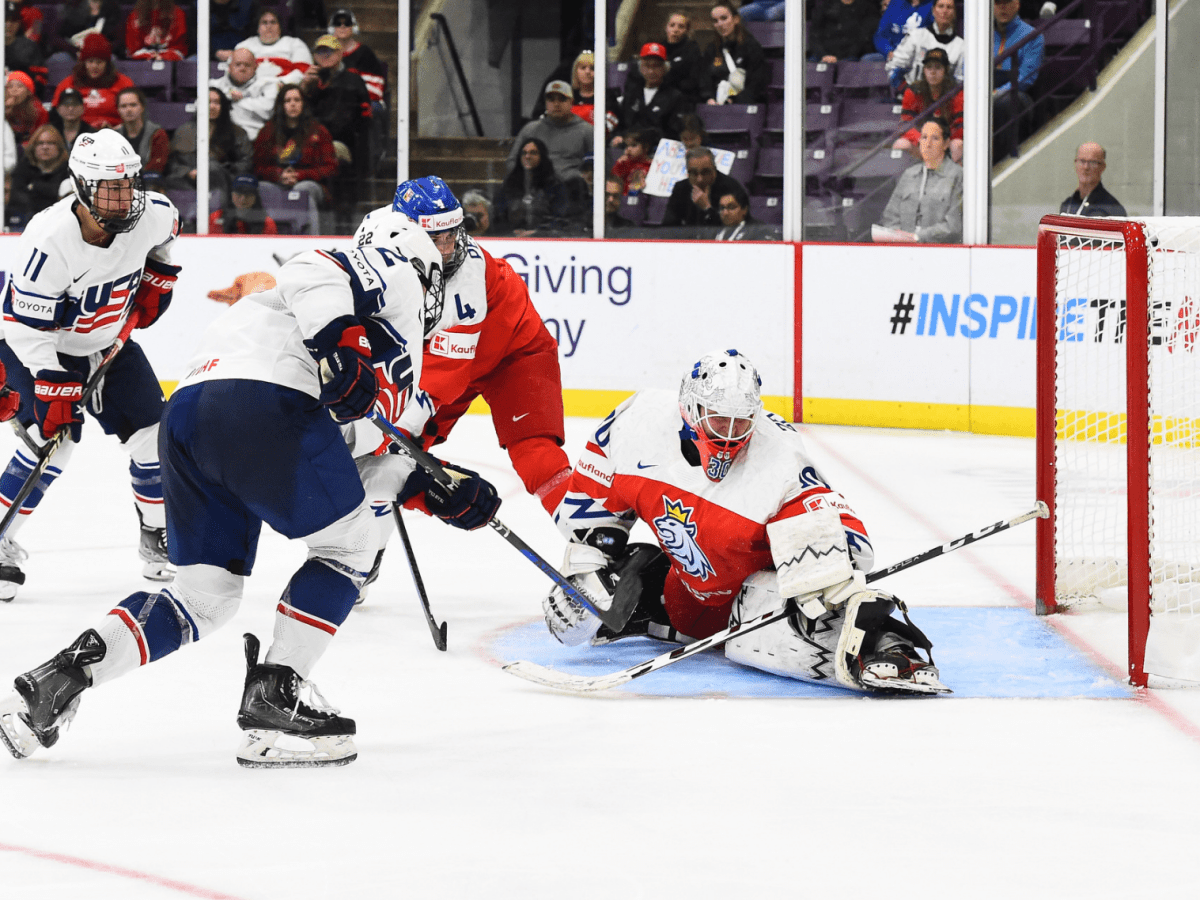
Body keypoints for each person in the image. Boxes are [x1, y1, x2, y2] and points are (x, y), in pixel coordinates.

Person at [0, 214, 503, 767]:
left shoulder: (351, 327)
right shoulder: (389, 272)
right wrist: (344, 344)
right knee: (351, 548)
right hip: (268, 411)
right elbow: (317, 269)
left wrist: (432, 486)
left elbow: (347, 454)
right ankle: (277, 693)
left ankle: (67, 673)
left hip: (189, 420)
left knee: (204, 597)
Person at [540, 348, 948, 695]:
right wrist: (584, 570)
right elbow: (588, 516)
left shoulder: (780, 459)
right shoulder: (637, 422)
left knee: (784, 622)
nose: (730, 436)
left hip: (752, 603)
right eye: (719, 421)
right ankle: (645, 601)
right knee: (591, 610)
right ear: (690, 409)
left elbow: (856, 547)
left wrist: (821, 566)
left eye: (741, 423)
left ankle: (889, 645)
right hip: (685, 594)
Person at [350, 177, 571, 597]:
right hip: (439, 355)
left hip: (512, 349)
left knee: (536, 450)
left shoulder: (469, 280)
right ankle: (360, 555)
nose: (449, 248)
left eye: (454, 233)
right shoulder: (373, 239)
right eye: (436, 237)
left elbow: (442, 380)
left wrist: (396, 435)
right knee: (377, 460)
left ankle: (594, 547)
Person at [0, 130, 181, 602]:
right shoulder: (48, 240)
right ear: (81, 186)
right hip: (39, 345)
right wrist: (53, 384)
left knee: (153, 437)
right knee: (51, 445)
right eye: (110, 188)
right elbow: (24, 330)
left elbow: (167, 233)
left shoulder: (153, 213)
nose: (123, 199)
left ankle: (156, 535)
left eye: (128, 185)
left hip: (107, 342)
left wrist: (158, 275)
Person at [253, 84, 337, 227]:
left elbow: (331, 168)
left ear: (303, 104)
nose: (293, 104)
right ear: (281, 105)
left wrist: (299, 175)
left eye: (297, 100)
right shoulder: (267, 131)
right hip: (276, 182)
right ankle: (267, 235)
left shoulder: (318, 131)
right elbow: (257, 167)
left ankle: (310, 239)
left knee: (301, 191)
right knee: (261, 187)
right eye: (288, 101)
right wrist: (278, 174)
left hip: (310, 184)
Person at [877, 118, 962, 243]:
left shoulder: (957, 175)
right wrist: (898, 236)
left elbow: (954, 226)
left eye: (935, 138)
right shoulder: (909, 174)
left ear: (946, 144)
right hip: (904, 250)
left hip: (939, 252)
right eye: (924, 137)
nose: (928, 144)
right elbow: (889, 216)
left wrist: (917, 237)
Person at [166, 87, 253, 197]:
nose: (212, 106)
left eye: (217, 102)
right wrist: (188, 172)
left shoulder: (237, 132)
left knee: (212, 167)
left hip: (224, 180)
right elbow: (173, 163)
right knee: (169, 182)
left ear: (224, 106)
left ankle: (217, 211)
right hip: (189, 180)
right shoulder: (184, 130)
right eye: (208, 102)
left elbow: (246, 162)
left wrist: (225, 168)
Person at [300, 33, 370, 166]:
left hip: (341, 142)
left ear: (340, 54)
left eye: (330, 51)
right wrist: (304, 88)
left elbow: (346, 122)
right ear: (314, 56)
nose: (325, 55)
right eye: (320, 51)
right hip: (310, 139)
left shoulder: (352, 81)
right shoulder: (309, 80)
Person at [507, 80, 594, 188]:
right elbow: (512, 161)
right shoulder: (530, 129)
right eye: (551, 100)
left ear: (571, 102)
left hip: (572, 189)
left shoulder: (587, 131)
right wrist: (529, 177)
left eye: (562, 99)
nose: (556, 104)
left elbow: (597, 165)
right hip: (537, 187)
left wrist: (584, 177)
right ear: (545, 103)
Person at [993, 0, 1043, 160]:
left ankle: (1003, 163)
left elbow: (1026, 77)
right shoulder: (980, 35)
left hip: (1016, 93)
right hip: (987, 90)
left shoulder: (1032, 36)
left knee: (1005, 103)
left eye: (1007, 2)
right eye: (998, 3)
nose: (1002, 7)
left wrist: (998, 92)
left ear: (1017, 4)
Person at [893, 47, 963, 163]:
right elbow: (905, 123)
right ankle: (912, 177)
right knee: (901, 144)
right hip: (921, 142)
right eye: (929, 67)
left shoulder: (956, 92)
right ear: (924, 70)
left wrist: (940, 141)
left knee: (957, 144)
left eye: (938, 67)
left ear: (946, 70)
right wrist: (922, 140)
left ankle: (949, 177)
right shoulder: (913, 91)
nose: (932, 72)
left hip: (946, 142)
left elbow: (961, 125)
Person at [492, 137, 571, 237]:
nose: (527, 156)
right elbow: (499, 216)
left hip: (545, 240)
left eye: (533, 153)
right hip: (511, 239)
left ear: (542, 156)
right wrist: (511, 232)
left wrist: (536, 233)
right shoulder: (510, 183)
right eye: (524, 153)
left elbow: (562, 220)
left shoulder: (555, 184)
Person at [52, 33, 135, 129]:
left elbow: (135, 115)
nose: (94, 66)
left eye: (99, 62)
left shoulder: (124, 83)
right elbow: (56, 114)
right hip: (77, 132)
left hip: (114, 132)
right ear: (83, 63)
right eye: (90, 61)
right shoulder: (68, 83)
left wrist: (117, 128)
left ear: (107, 64)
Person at [888, 0, 963, 95]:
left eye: (949, 7)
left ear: (955, 13)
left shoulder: (962, 46)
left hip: (945, 103)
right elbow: (894, 68)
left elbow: (961, 82)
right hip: (913, 100)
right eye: (941, 6)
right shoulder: (916, 36)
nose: (945, 11)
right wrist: (908, 92)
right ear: (933, 10)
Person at [617, 43, 686, 142]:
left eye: (656, 66)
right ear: (640, 67)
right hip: (629, 146)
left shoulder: (674, 96)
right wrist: (621, 136)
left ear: (665, 68)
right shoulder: (632, 93)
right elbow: (622, 124)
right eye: (647, 65)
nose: (651, 71)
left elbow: (674, 132)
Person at [705, 3, 771, 104]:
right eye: (715, 21)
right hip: (717, 104)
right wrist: (709, 97)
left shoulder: (751, 46)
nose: (720, 24)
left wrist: (735, 100)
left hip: (743, 105)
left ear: (736, 19)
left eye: (724, 18)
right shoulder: (712, 48)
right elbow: (705, 78)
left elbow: (756, 81)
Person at [663, 146, 742, 229]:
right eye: (694, 173)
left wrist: (707, 208)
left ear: (714, 170)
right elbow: (668, 227)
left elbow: (732, 229)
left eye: (705, 172)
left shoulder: (730, 188)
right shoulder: (681, 188)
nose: (699, 179)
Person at [210, 47, 280, 141]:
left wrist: (238, 99)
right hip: (219, 139)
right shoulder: (213, 85)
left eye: (247, 65)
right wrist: (229, 96)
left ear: (255, 68)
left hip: (254, 138)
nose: (242, 68)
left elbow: (268, 111)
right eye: (238, 64)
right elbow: (199, 109)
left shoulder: (268, 84)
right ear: (229, 67)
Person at [8, 123, 70, 223]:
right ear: (33, 147)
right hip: (26, 222)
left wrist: (34, 186)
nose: (45, 147)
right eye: (40, 143)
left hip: (58, 222)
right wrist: (52, 190)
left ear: (59, 146)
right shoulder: (23, 168)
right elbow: (17, 199)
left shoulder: (69, 170)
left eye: (50, 143)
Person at [235, 8, 312, 83]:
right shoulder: (244, 46)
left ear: (280, 27)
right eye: (264, 22)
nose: (269, 26)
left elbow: (303, 71)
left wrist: (280, 83)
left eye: (273, 22)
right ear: (257, 28)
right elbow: (234, 72)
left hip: (285, 89)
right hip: (251, 90)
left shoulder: (295, 43)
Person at [1058, 142, 1126, 217]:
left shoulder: (1113, 209)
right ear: (1075, 164)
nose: (1086, 167)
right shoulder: (1068, 204)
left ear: (1103, 167)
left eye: (1092, 162)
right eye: (1082, 161)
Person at [115, 87, 168, 176]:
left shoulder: (157, 134)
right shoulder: (114, 136)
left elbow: (157, 166)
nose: (128, 110)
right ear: (118, 110)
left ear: (142, 107)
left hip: (149, 181)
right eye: (123, 106)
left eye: (133, 105)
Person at [566, 50, 620, 134]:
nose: (587, 72)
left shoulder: (607, 96)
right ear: (575, 72)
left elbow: (616, 125)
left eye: (592, 68)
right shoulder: (568, 95)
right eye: (583, 68)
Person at [53, 0, 124, 61]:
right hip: (74, 51)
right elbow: (56, 37)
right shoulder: (72, 5)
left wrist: (101, 51)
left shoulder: (113, 7)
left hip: (102, 53)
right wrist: (74, 51)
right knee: (59, 59)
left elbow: (118, 39)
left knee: (112, 59)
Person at [209, 173, 276, 233]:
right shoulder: (215, 218)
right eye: (239, 193)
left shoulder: (267, 223)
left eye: (248, 194)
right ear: (231, 194)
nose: (242, 199)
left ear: (256, 197)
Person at [4, 2, 46, 97]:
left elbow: (36, 35)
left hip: (23, 95)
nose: (8, 25)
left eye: (13, 21)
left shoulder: (36, 13)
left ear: (19, 23)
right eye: (5, 20)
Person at [5, 71, 47, 147]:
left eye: (20, 86)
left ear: (28, 92)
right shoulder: (4, 107)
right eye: (10, 87)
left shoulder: (39, 111)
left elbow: (41, 135)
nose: (14, 90)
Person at [611, 128, 655, 195]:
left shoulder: (652, 165)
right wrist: (618, 164)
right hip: (624, 200)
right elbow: (614, 180)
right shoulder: (624, 163)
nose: (629, 149)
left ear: (646, 147)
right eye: (627, 146)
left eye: (633, 145)